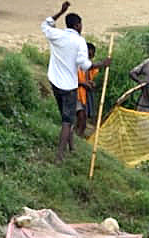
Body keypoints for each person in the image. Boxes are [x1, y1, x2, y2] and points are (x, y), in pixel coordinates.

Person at [42, 2, 110, 162]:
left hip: (54, 82)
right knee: (67, 121)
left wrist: (60, 12)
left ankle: (71, 147)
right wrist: (103, 64)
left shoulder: (56, 34)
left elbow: (45, 24)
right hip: (69, 87)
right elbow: (85, 64)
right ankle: (59, 155)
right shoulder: (79, 41)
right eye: (81, 25)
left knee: (66, 117)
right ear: (78, 25)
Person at [75, 42, 99, 138]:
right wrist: (83, 84)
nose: (89, 58)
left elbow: (88, 79)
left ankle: (77, 136)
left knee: (83, 119)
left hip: (84, 95)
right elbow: (70, 80)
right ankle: (77, 137)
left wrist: (91, 83)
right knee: (81, 117)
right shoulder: (76, 63)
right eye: (88, 55)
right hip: (75, 94)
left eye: (91, 56)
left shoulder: (89, 67)